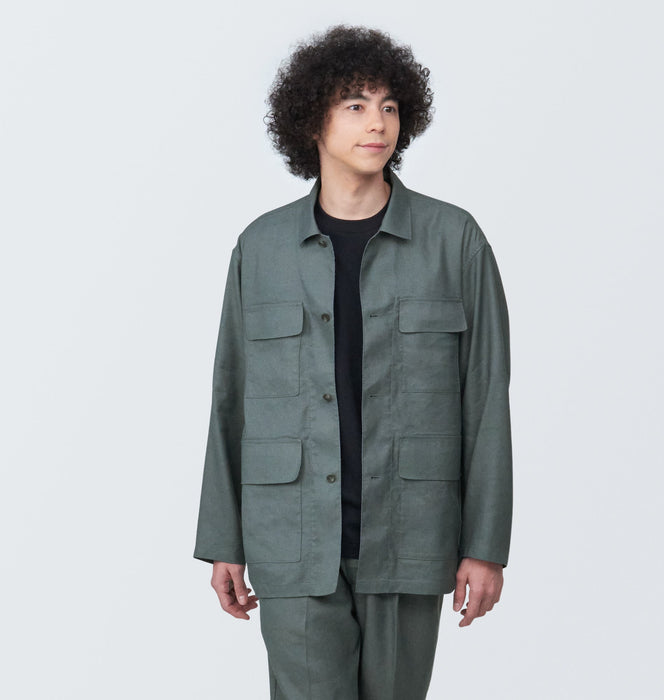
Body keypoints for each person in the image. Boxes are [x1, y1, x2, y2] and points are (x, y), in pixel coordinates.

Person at [193, 24, 513, 700]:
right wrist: (224, 539)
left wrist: (485, 545)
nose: (378, 123)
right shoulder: (261, 248)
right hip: (291, 535)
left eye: (390, 106)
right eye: (356, 105)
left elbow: (486, 398)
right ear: (313, 119)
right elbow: (231, 397)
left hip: (411, 532)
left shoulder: (453, 240)